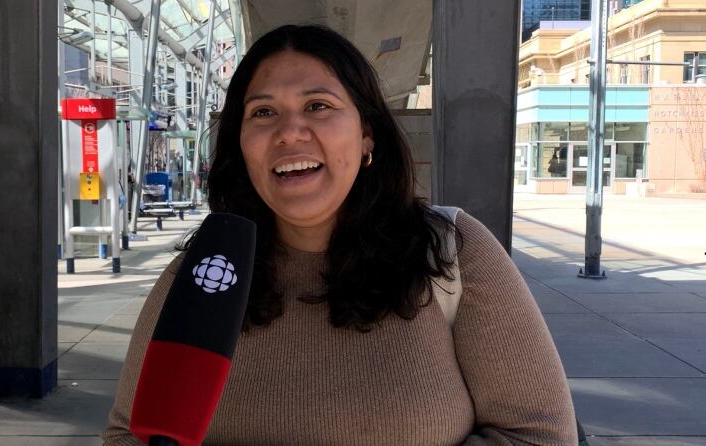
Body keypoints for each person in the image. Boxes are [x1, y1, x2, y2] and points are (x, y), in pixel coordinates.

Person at [103, 24, 577, 445]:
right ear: (240, 146)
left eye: (318, 105)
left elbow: (538, 434)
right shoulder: (205, 272)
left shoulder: (452, 251)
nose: (290, 131)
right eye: (263, 113)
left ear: (366, 134)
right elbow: (129, 434)